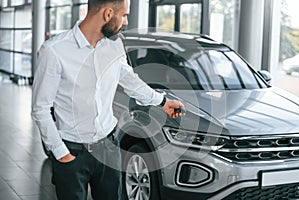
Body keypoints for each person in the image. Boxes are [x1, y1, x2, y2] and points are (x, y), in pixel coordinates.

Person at [31, 0, 185, 199]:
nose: (126, 21)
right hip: (71, 151)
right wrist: (61, 153)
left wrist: (163, 102)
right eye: (124, 15)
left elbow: (131, 82)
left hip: (108, 147)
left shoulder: (114, 45)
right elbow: (40, 109)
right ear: (108, 14)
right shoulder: (54, 50)